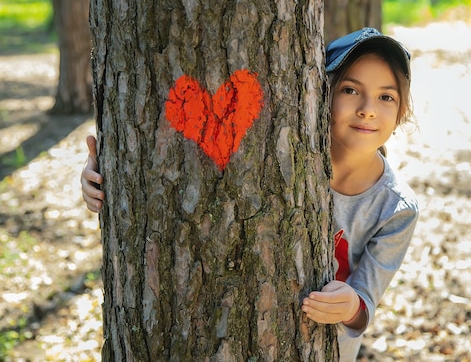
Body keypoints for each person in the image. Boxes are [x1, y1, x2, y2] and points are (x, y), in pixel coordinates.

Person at [81, 27, 419, 361]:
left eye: (386, 96)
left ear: (401, 110)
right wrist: (99, 179)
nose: (368, 109)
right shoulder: (284, 157)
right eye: (349, 89)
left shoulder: (394, 208)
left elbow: (365, 307)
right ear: (320, 94)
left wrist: (350, 305)